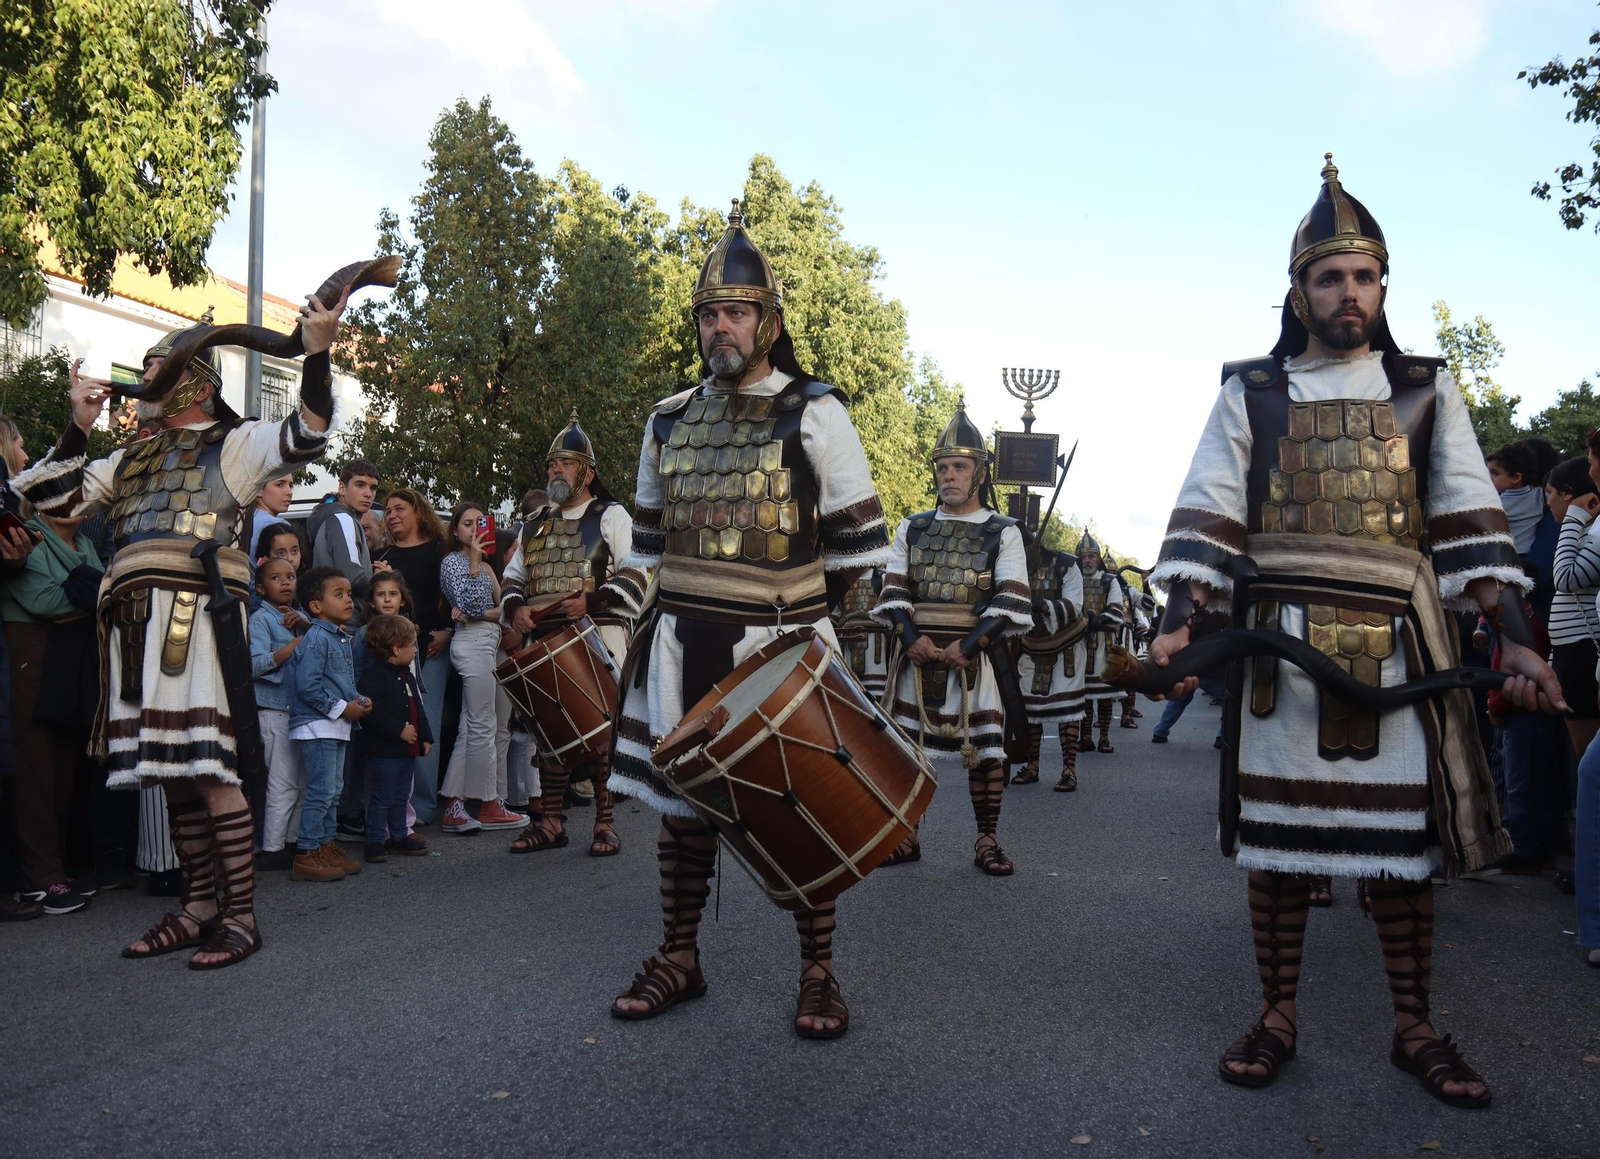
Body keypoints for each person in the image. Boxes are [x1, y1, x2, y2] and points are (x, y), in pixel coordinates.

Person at [1147, 155, 1565, 1106]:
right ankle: (1277, 1014)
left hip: (1400, 649)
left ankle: (1415, 1025)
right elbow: (1209, 515)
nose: (1349, 292)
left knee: (1401, 858)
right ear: (1296, 291)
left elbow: (1471, 527)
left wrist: (1524, 642)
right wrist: (1179, 627)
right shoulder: (1250, 390)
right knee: (1281, 849)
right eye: (1329, 276)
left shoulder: (1425, 390)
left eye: (1364, 276)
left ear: (1383, 287)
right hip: (1278, 655)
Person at [608, 201, 891, 1039]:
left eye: (735, 312)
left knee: (799, 809)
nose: (719, 327)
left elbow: (857, 558)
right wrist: (617, 630)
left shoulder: (816, 412)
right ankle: (679, 955)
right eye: (708, 314)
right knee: (682, 811)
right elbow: (649, 550)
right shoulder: (668, 420)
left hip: (781, 644)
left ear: (768, 322)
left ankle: (819, 971)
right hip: (682, 642)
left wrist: (809, 652)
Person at [11, 281, 351, 967]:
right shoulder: (129, 458)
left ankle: (241, 915)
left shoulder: (234, 444)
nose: (144, 389)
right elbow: (37, 496)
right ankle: (199, 905)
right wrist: (76, 424)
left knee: (211, 766)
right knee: (172, 773)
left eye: (157, 376)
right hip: (132, 632)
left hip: (195, 628)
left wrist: (315, 354)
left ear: (192, 384)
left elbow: (309, 430)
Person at [873, 399, 1031, 874]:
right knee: (907, 753)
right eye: (943, 467)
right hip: (917, 657)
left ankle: (986, 840)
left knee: (985, 755)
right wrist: (910, 637)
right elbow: (894, 592)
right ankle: (907, 837)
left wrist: (969, 645)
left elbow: (1011, 602)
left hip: (976, 660)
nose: (949, 476)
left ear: (979, 473)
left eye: (959, 467)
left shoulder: (1004, 532)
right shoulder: (913, 527)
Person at [500, 410, 645, 857]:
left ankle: (604, 821)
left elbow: (638, 571)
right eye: (551, 464)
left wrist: (595, 601)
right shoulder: (535, 524)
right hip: (543, 638)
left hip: (597, 633)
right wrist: (516, 608)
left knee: (599, 732)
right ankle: (551, 822)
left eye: (564, 463)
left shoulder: (611, 515)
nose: (556, 471)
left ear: (587, 471)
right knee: (548, 731)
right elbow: (512, 578)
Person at [0, 497, 104, 913]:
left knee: (64, 770)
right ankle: (39, 880)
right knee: (36, 771)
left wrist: (84, 593)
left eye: (80, 495)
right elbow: (46, 602)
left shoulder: (84, 544)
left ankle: (56, 870)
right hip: (32, 657)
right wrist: (88, 593)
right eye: (63, 496)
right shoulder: (28, 539)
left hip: (70, 662)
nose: (74, 503)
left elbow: (100, 592)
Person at [438, 501, 525, 835]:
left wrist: (481, 607)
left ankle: (456, 804)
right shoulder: (453, 562)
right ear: (456, 531)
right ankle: (488, 804)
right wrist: (475, 565)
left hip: (489, 643)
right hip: (472, 643)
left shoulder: (486, 567)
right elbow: (474, 605)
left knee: (473, 725)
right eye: (467, 524)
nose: (474, 529)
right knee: (482, 725)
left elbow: (501, 611)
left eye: (480, 522)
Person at [287, 567, 368, 882]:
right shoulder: (318, 637)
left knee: (334, 790)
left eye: (349, 594)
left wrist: (358, 700)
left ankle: (326, 844)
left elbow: (338, 683)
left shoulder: (339, 636)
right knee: (322, 790)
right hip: (318, 726)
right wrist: (342, 707)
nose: (349, 600)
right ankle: (307, 853)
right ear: (315, 606)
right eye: (339, 595)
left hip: (333, 725)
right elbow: (307, 685)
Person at [377, 487, 451, 822]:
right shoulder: (383, 555)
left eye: (399, 508)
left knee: (426, 722)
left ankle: (422, 804)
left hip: (432, 648)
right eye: (388, 511)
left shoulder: (440, 551)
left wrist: (447, 631)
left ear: (419, 511)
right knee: (400, 723)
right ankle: (398, 804)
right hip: (392, 654)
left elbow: (452, 596)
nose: (391, 515)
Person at [1011, 537, 1087, 791]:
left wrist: (1043, 605)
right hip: (1031, 644)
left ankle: (1069, 769)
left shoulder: (1067, 565)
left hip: (1066, 645)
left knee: (1067, 708)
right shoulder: (1013, 565)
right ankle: (1033, 766)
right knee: (1030, 710)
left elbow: (1074, 604)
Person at [355, 613, 432, 863]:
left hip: (406, 750)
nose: (415, 649)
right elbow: (371, 712)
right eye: (412, 645)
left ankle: (399, 836)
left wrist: (426, 737)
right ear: (397, 648)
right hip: (384, 750)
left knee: (401, 795)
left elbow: (418, 708)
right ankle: (376, 840)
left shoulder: (406, 674)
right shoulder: (373, 677)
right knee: (383, 796)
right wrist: (399, 729)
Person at [249, 557, 306, 871]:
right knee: (282, 782)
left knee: (300, 781)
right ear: (260, 588)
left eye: (291, 576)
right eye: (276, 577)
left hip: (299, 711)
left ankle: (291, 840)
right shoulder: (260, 620)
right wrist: (294, 645)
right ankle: (271, 847)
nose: (286, 582)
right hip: (274, 710)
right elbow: (255, 665)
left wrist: (305, 626)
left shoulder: (300, 618)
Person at [1552, 454, 1600, 762]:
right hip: (1571, 652)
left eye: (1551, 494)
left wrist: (1572, 518)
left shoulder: (1591, 531)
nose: (1548, 503)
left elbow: (1565, 579)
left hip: (1583, 653)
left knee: (1588, 757)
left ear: (1569, 495)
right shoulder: (1587, 531)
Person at [1075, 532, 1128, 753]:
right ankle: (1085, 736)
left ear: (1098, 559)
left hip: (1103, 645)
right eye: (1084, 556)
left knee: (1104, 694)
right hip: (1078, 644)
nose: (1087, 560)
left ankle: (1104, 737)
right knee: (1084, 695)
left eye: (1091, 556)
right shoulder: (1072, 580)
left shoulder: (1109, 581)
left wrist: (1097, 621)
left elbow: (1117, 610)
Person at [834, 568, 889, 701]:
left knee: (878, 695)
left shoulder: (883, 577)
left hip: (877, 647)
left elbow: (890, 614)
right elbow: (833, 615)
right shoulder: (839, 580)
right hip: (847, 643)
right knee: (850, 694)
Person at [245, 471, 293, 567]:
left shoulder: (246, 520)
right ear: (259, 490)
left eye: (291, 486)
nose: (289, 492)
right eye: (280, 484)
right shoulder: (277, 526)